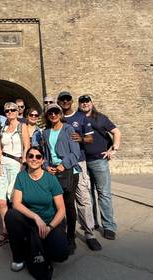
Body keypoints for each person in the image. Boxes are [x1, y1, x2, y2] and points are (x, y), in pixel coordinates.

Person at [43, 103, 101, 254]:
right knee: (56, 206)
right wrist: (46, 166)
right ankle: (59, 235)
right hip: (53, 172)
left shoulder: (69, 129)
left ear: (60, 114)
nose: (53, 115)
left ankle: (71, 238)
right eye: (50, 113)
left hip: (69, 172)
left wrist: (64, 164)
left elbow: (75, 153)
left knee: (69, 205)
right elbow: (46, 155)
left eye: (56, 112)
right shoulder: (46, 132)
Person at [4, 146, 68, 276]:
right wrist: (36, 217)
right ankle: (18, 257)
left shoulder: (51, 179)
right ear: (26, 159)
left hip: (49, 222)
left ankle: (40, 245)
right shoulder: (21, 177)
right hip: (30, 221)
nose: (34, 159)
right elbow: (16, 204)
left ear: (43, 160)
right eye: (31, 156)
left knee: (61, 254)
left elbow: (61, 210)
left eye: (38, 156)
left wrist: (49, 227)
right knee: (11, 215)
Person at [57, 91, 99, 248]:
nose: (65, 101)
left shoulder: (80, 117)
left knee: (83, 197)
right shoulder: (54, 116)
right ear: (59, 101)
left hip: (78, 162)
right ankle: (66, 233)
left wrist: (81, 138)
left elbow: (90, 137)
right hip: (60, 164)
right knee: (62, 200)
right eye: (63, 99)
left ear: (71, 101)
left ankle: (89, 233)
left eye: (68, 99)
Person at [78, 94, 121, 240]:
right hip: (83, 162)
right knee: (88, 195)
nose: (85, 104)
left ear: (91, 103)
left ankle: (109, 226)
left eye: (87, 101)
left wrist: (113, 149)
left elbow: (116, 132)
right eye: (82, 102)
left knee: (103, 194)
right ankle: (93, 222)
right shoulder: (78, 118)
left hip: (99, 161)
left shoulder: (100, 118)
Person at [0, 102, 30, 247]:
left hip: (16, 165)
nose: (9, 112)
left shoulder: (23, 127)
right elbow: (0, 149)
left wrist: (23, 164)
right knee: (1, 201)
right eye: (7, 110)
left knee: (15, 201)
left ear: (17, 111)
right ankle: (6, 231)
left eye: (12, 110)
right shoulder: (4, 128)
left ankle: (18, 230)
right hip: (3, 164)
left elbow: (26, 145)